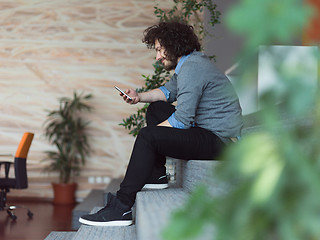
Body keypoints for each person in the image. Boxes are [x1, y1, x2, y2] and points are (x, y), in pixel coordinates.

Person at [79, 21, 243, 227]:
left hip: (222, 142)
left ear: (173, 45)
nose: (157, 57)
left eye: (159, 49)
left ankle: (121, 207)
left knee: (148, 136)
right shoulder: (190, 64)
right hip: (208, 133)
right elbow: (166, 92)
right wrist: (138, 96)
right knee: (156, 108)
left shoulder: (193, 68)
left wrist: (150, 137)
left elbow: (182, 120)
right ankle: (157, 176)